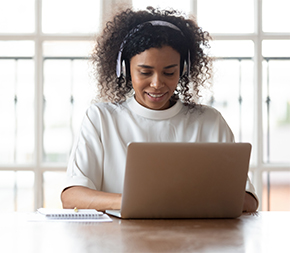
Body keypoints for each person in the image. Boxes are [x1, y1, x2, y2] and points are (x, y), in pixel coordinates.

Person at [61, 7, 259, 212]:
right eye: (145, 72)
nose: (157, 83)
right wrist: (136, 201)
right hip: (116, 240)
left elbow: (248, 201)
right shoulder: (101, 118)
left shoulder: (209, 121)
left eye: (169, 72)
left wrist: (171, 201)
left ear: (183, 70)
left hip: (195, 240)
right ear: (124, 69)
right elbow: (72, 197)